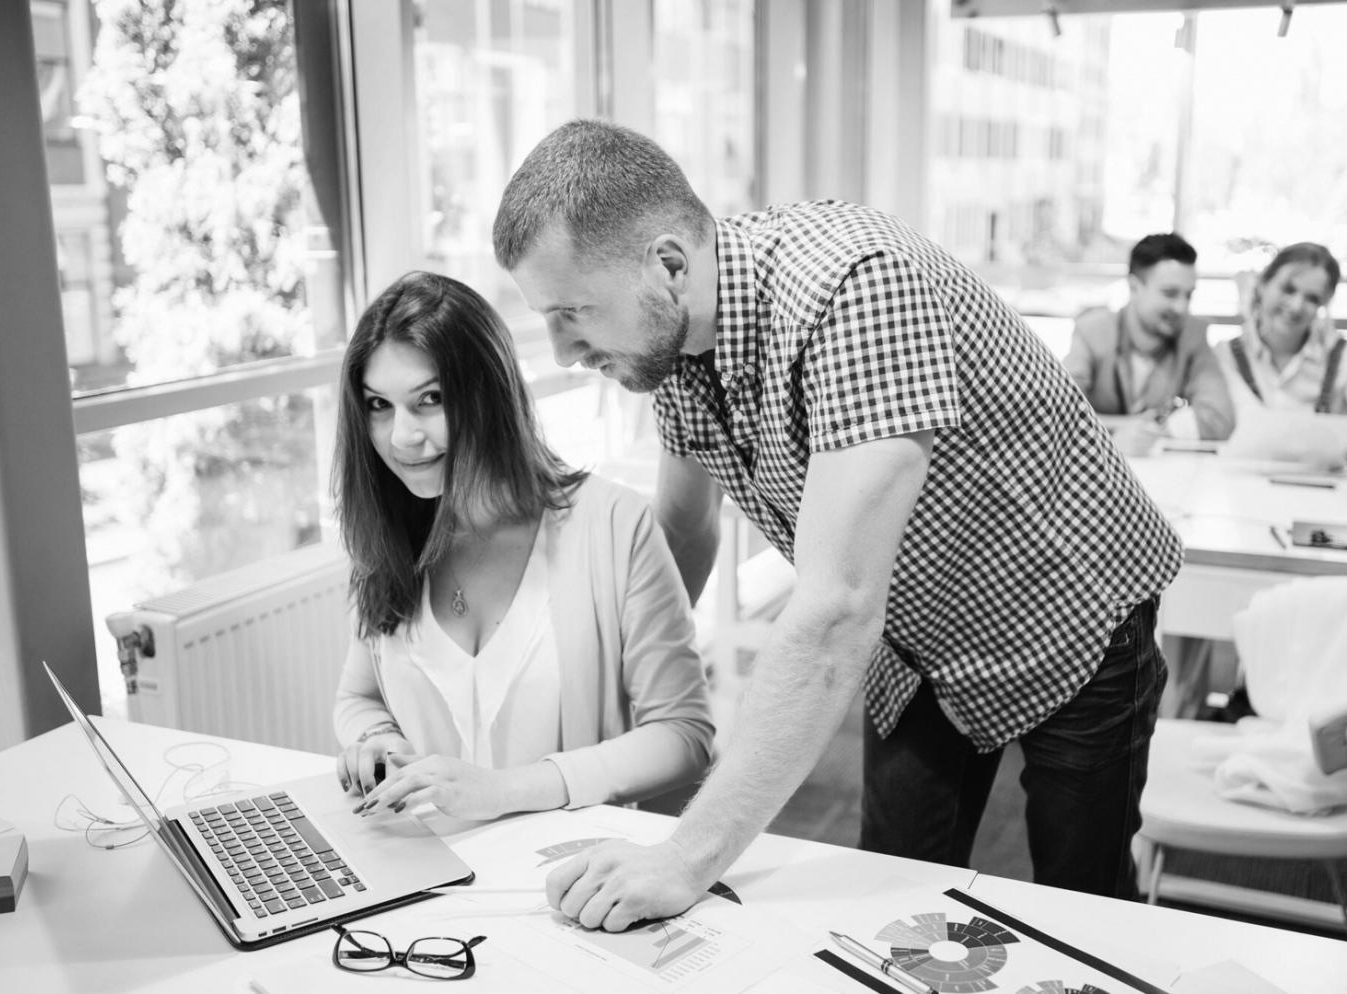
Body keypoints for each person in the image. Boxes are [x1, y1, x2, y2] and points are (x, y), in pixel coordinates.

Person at [492, 119, 1182, 931]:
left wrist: (684, 858)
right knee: (890, 902)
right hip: (916, 641)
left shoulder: (854, 288)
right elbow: (682, 530)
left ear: (670, 265)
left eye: (574, 313)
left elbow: (834, 609)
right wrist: (614, 700)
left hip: (1065, 610)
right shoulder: (669, 341)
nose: (565, 349)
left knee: (1083, 909)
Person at [329, 270, 713, 823]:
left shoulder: (612, 524)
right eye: (378, 406)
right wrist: (376, 743)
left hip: (567, 878)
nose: (401, 437)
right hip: (421, 869)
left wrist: (506, 791)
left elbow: (683, 735)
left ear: (489, 393)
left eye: (429, 400)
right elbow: (358, 698)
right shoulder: (389, 531)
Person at [1216, 241, 1347, 440]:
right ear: (1263, 283)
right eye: (1288, 289)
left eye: (1312, 299)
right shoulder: (1225, 356)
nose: (1296, 306)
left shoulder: (1346, 357)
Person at [1064, 232, 1234, 455]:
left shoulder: (1193, 335)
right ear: (1134, 287)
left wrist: (1145, 430)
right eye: (1170, 293)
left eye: (1188, 295)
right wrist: (1124, 430)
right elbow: (1059, 413)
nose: (1182, 307)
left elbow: (1219, 419)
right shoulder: (1093, 331)